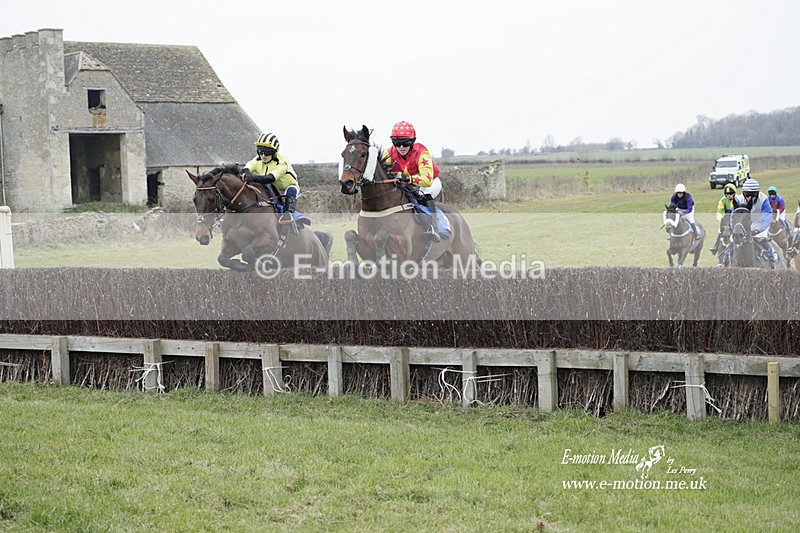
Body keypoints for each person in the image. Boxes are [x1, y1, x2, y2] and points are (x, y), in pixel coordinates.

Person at [382, 121, 445, 241]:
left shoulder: (422, 152)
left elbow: (426, 180)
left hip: (430, 182)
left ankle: (434, 227)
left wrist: (408, 178)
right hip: (407, 184)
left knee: (424, 193)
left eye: (405, 143)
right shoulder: (389, 153)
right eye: (397, 143)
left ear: (412, 142)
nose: (401, 147)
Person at [240, 133, 299, 224]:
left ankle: (288, 214)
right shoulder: (258, 159)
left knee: (291, 190)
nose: (263, 156)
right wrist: (246, 173)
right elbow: (247, 167)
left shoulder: (282, 161)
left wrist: (252, 177)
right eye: (260, 152)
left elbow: (270, 178)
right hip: (270, 187)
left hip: (285, 188)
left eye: (267, 153)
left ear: (274, 153)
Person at [734, 178, 779, 262]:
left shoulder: (764, 200)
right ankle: (725, 261)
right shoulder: (738, 200)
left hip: (759, 225)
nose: (750, 198)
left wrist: (758, 230)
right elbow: (732, 217)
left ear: (757, 194)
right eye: (747, 195)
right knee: (731, 242)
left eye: (753, 195)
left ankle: (772, 259)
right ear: (744, 194)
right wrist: (736, 229)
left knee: (764, 242)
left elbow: (766, 219)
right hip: (742, 227)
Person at [709, 183, 737, 254]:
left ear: (734, 193)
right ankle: (715, 247)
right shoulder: (722, 200)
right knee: (719, 231)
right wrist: (720, 218)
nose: (729, 196)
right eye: (727, 194)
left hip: (736, 218)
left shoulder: (738, 199)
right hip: (727, 218)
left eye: (731, 194)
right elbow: (719, 211)